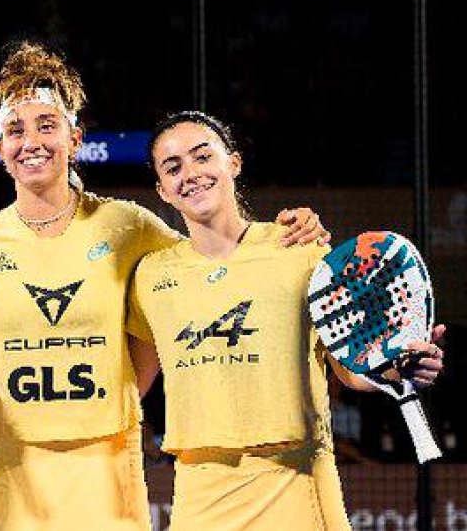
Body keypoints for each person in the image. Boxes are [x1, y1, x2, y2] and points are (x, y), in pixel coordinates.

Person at [0, 41, 330, 529]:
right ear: (1, 148)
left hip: (106, 468)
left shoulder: (127, 225)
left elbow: (212, 257)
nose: (32, 141)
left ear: (75, 138)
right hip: (9, 468)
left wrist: (288, 235)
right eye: (15, 131)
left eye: (48, 125)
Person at [128, 110, 444, 529]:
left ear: (233, 163)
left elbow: (349, 375)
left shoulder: (301, 250)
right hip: (199, 494)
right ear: (162, 190)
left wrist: (395, 367)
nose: (190, 173)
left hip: (297, 483)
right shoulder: (151, 276)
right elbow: (130, 385)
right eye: (173, 167)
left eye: (203, 157)